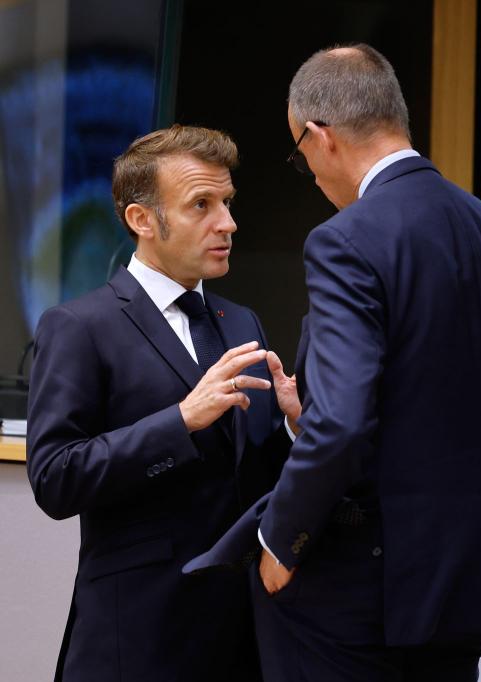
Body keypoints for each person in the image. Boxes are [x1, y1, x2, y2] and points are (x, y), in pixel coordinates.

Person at [190, 43, 481, 681]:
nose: (310, 173)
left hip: (352, 590)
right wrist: (475, 531)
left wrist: (279, 543)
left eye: (299, 156)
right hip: (463, 593)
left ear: (321, 137)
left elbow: (342, 425)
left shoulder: (346, 240)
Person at [27, 125, 296, 681]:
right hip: (138, 639)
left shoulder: (241, 320)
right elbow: (55, 479)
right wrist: (180, 420)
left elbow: (256, 476)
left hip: (244, 639)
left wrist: (298, 429)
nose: (228, 223)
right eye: (202, 204)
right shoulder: (78, 327)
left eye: (227, 202)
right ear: (141, 220)